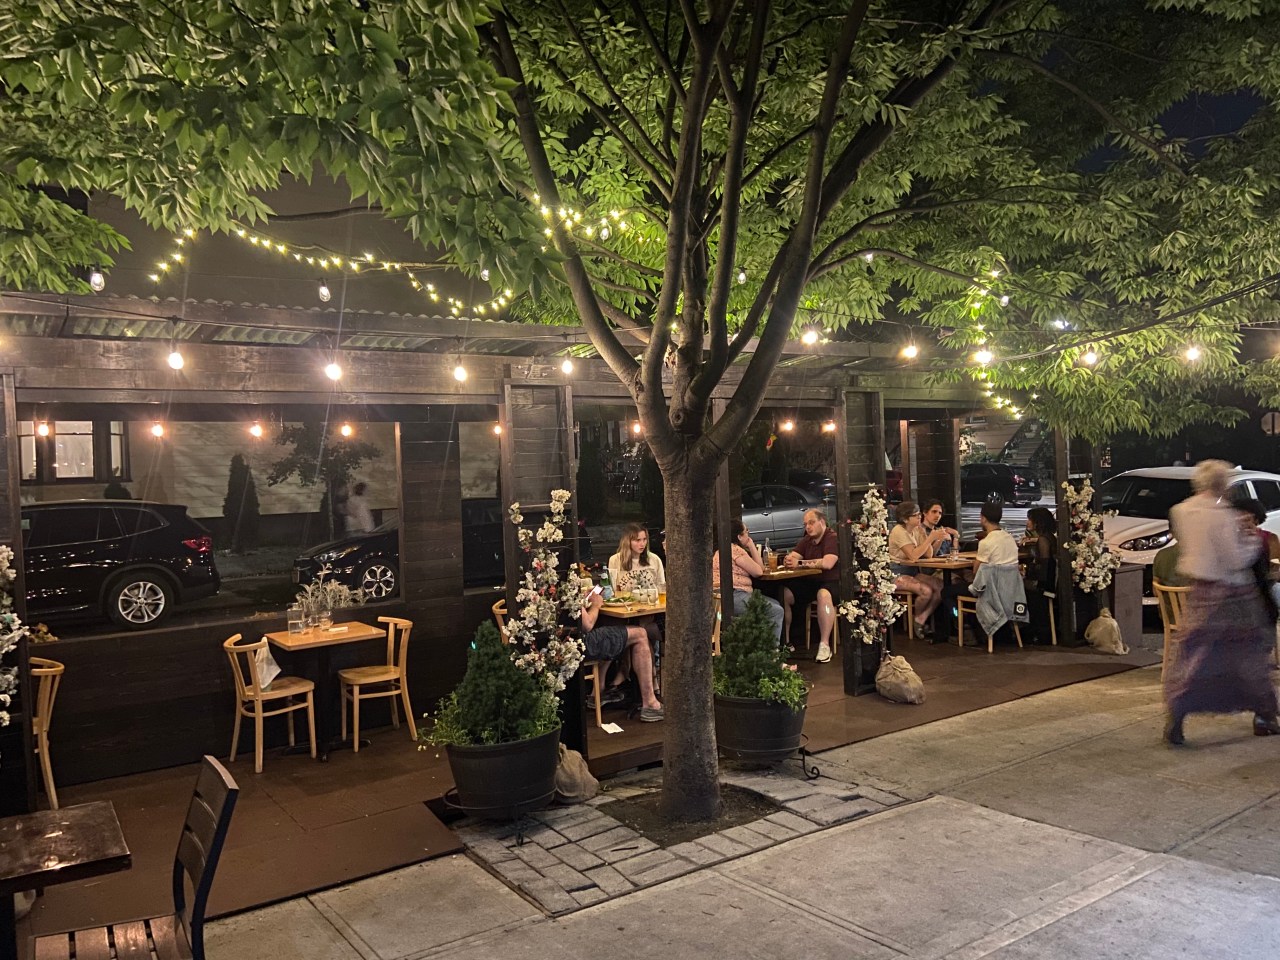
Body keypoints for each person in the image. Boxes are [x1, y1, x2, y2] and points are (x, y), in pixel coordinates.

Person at [1162, 460, 1280, 745]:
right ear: (1221, 484)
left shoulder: (1181, 511)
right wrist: (1251, 541)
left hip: (1199, 592)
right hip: (1232, 594)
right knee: (1249, 657)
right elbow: (1235, 560)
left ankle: (1177, 714)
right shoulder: (1222, 515)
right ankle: (1264, 716)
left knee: (1193, 658)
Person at [578, 587, 664, 721]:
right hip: (581, 644)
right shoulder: (566, 584)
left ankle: (598, 693)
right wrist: (596, 605)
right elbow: (587, 624)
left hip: (569, 642)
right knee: (640, 634)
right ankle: (650, 703)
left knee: (610, 631)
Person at [781, 509, 840, 663]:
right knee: (785, 593)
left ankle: (824, 645)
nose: (808, 527)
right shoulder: (807, 540)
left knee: (823, 594)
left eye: (811, 522)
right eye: (805, 524)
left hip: (833, 582)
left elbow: (828, 563)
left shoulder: (831, 537)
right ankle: (786, 642)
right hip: (811, 582)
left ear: (822, 522)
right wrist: (788, 560)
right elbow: (794, 556)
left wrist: (799, 563)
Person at [713, 519, 785, 643]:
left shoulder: (721, 549)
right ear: (739, 536)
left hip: (719, 598)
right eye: (747, 531)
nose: (749, 534)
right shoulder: (735, 550)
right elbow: (758, 571)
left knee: (775, 603)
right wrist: (751, 545)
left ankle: (760, 647)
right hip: (733, 596)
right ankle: (772, 654)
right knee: (776, 611)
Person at [887, 500, 948, 639]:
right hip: (897, 573)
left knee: (940, 587)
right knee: (926, 591)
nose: (919, 517)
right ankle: (916, 622)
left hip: (912, 571)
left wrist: (925, 536)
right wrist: (930, 538)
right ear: (905, 519)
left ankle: (920, 619)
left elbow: (929, 554)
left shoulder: (916, 529)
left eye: (919, 514)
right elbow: (913, 556)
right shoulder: (898, 531)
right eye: (915, 515)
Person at [1021, 506, 1058, 644]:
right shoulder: (1049, 537)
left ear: (1037, 522)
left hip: (1044, 586)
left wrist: (1027, 572)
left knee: (1017, 587)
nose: (1027, 522)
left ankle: (1025, 630)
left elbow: (1044, 565)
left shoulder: (1043, 540)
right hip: (1049, 583)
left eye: (1029, 519)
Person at [608, 523, 666, 596]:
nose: (642, 544)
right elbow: (613, 589)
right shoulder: (615, 560)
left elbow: (662, 587)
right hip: (626, 605)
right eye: (638, 540)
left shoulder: (654, 559)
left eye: (644, 539)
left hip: (651, 604)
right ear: (627, 541)